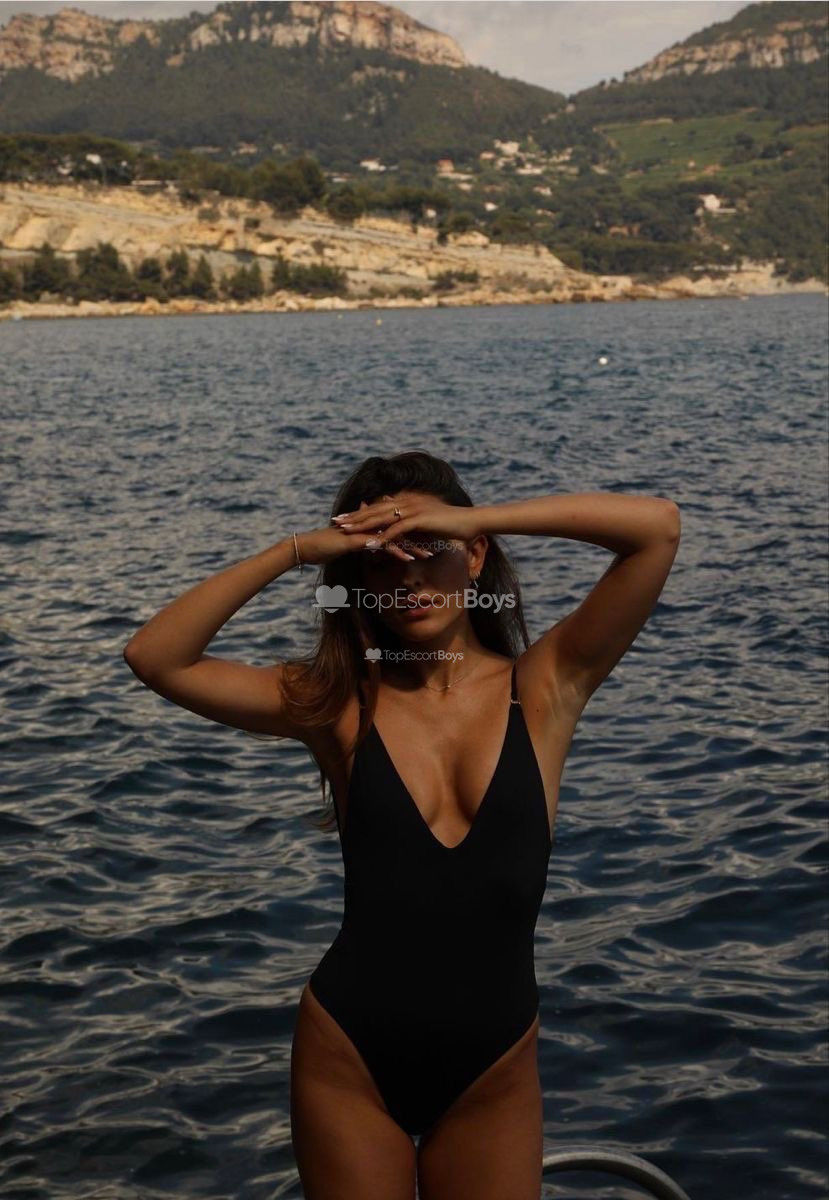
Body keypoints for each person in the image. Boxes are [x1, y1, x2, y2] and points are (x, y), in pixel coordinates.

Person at [123, 450, 680, 1200]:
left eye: (429, 550)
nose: (408, 578)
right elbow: (155, 656)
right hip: (350, 1057)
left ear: (474, 558)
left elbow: (655, 529)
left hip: (492, 1071)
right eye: (382, 561)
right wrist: (296, 550)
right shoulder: (336, 705)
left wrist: (472, 518)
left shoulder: (546, 688)